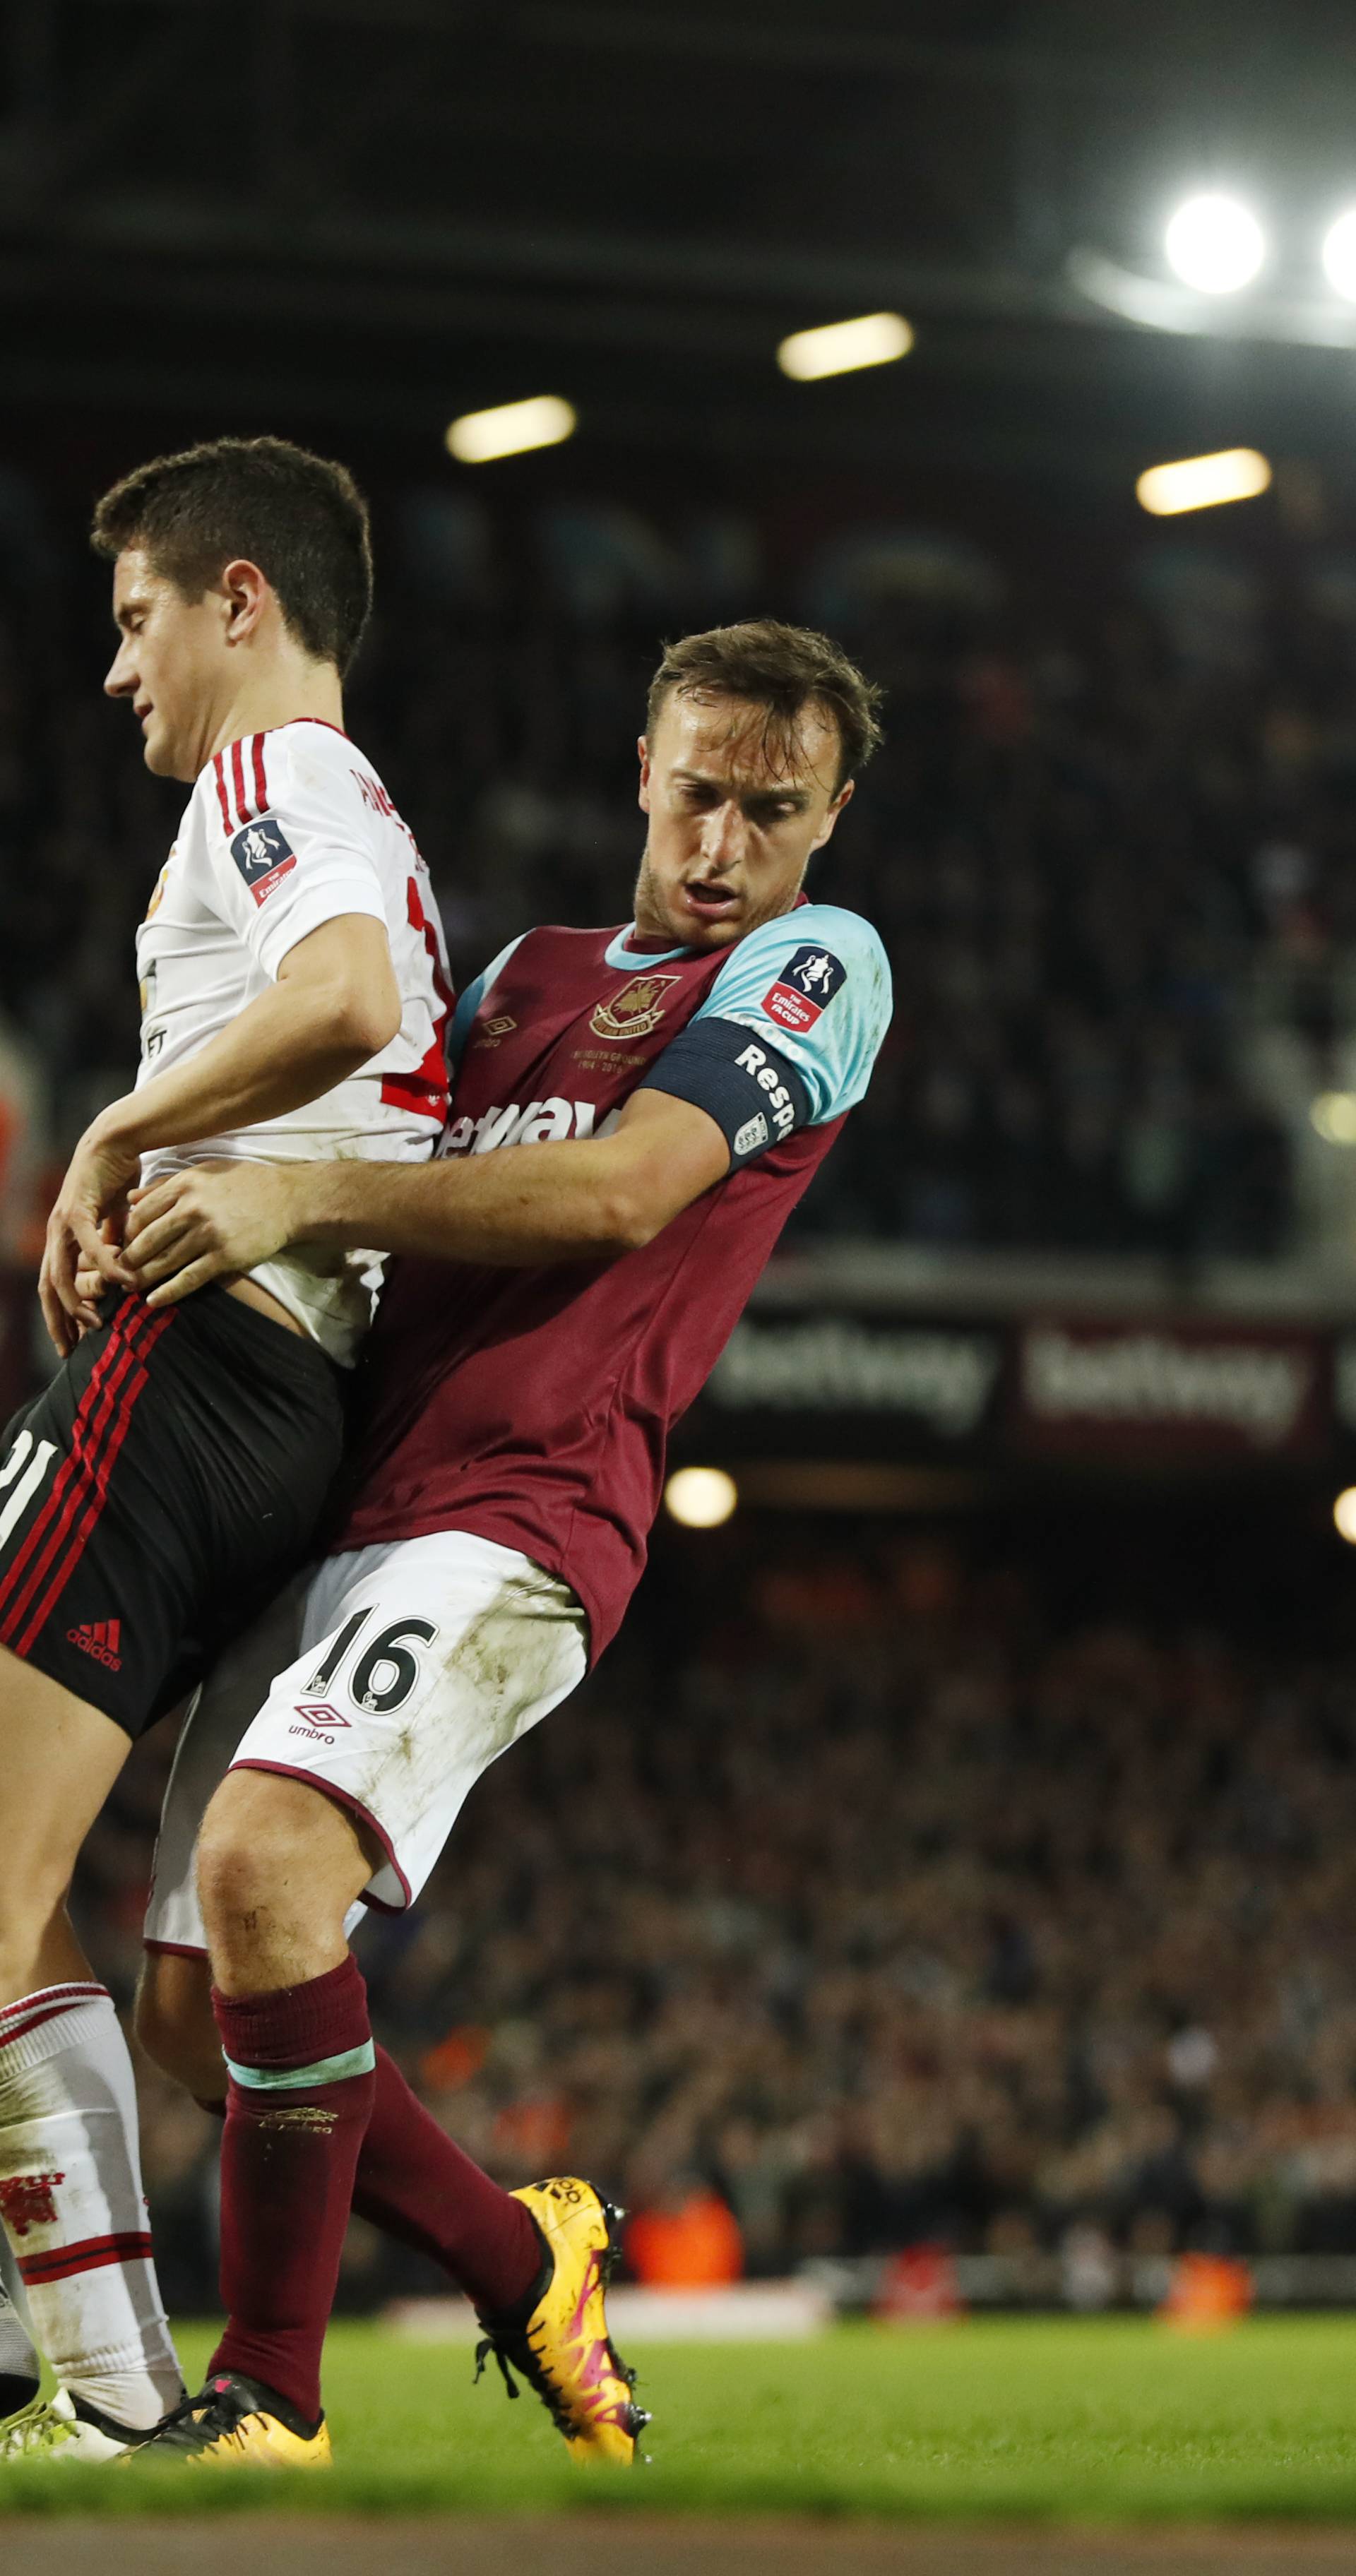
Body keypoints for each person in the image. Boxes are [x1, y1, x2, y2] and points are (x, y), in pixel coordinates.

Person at [115, 618, 893, 2469]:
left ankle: (269, 2405)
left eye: (771, 812)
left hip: (527, 1511)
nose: (722, 845)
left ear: (830, 822)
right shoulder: (526, 972)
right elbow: (395, 1203)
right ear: (643, 769)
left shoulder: (819, 963)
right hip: (348, 1503)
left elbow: (624, 1189)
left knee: (268, 1860)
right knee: (185, 2014)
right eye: (698, 793)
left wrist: (296, 1184)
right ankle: (515, 2257)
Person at [0, 436, 449, 2460]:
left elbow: (343, 996)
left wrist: (118, 1126)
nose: (120, 672)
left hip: (190, 1378)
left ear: (240, 600)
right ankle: (65, 2373)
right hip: (271, 1400)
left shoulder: (281, 777)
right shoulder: (366, 816)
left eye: (135, 618)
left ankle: (98, 2398)